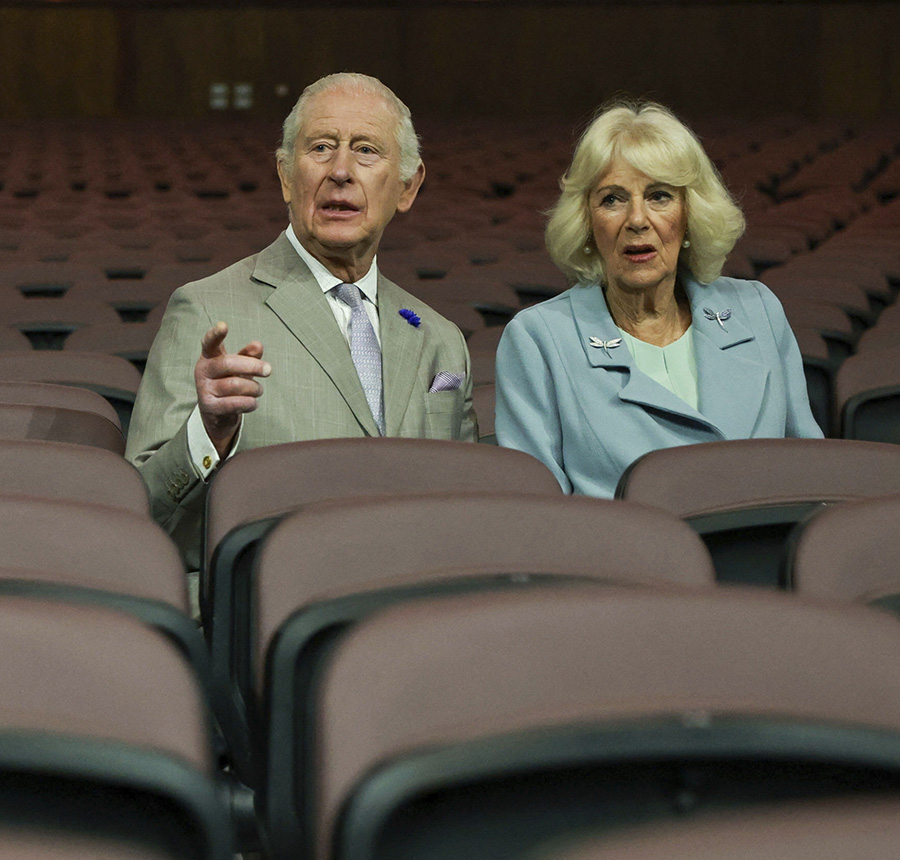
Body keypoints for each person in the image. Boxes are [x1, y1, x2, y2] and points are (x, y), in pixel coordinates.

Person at [126, 72, 477, 583]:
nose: (341, 171)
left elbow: (466, 515)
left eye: (366, 151)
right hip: (272, 610)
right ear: (286, 176)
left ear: (407, 186)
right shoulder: (206, 309)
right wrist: (208, 433)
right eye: (321, 148)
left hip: (417, 606)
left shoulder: (441, 339)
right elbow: (144, 518)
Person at [495, 100, 822, 497]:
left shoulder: (758, 311)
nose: (637, 219)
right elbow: (537, 512)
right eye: (612, 199)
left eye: (660, 196)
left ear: (690, 214)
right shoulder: (538, 340)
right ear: (587, 223)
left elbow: (809, 474)